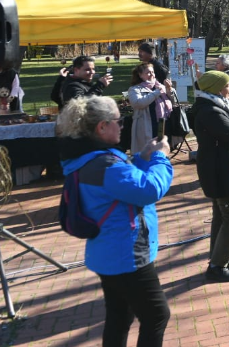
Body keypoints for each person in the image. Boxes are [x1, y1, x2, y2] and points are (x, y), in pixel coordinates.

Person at [57, 95, 173, 347]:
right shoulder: (105, 164)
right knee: (156, 315)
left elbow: (125, 180)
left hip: (108, 251)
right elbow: (148, 189)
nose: (122, 126)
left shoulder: (89, 157)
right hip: (127, 254)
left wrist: (143, 156)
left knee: (120, 315)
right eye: (119, 122)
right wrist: (161, 157)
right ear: (101, 127)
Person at [192, 71, 229, 283]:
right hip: (218, 170)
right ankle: (216, 266)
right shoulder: (210, 111)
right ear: (216, 88)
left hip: (217, 167)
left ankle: (220, 257)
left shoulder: (213, 105)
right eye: (228, 85)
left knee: (221, 216)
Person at [128, 62, 174, 154]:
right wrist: (156, 93)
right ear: (140, 75)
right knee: (148, 152)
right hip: (147, 125)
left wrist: (169, 90)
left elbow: (173, 102)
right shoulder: (135, 89)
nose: (151, 75)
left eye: (153, 72)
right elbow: (138, 103)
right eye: (148, 72)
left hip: (163, 124)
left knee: (162, 150)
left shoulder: (160, 86)